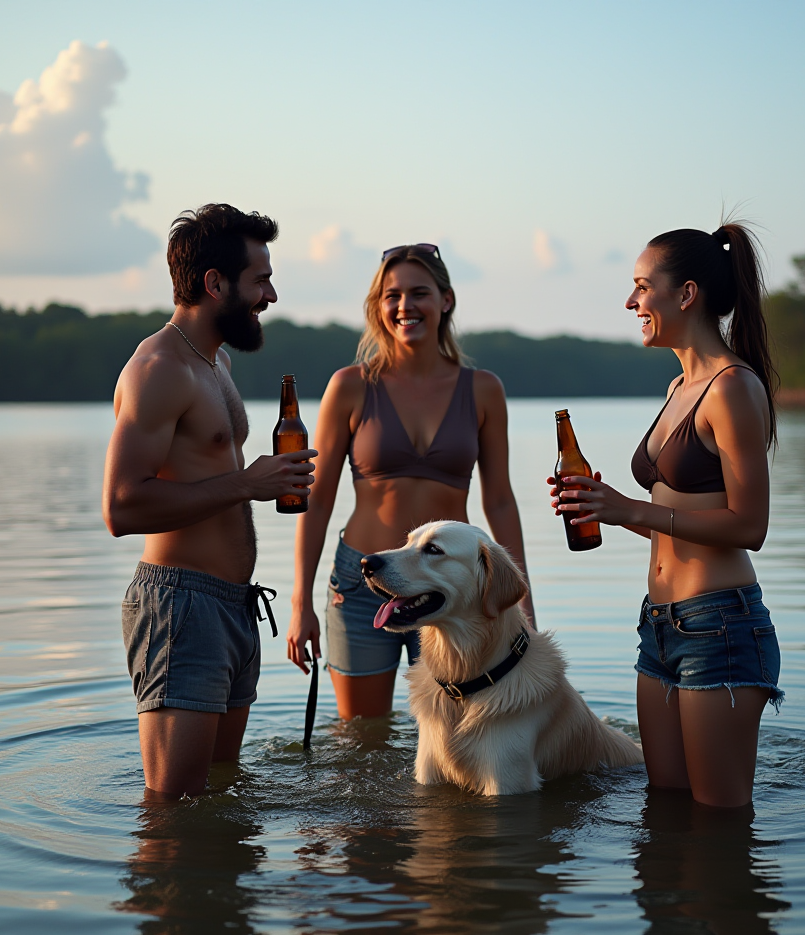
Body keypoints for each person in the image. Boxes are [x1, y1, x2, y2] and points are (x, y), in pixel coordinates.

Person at [553, 223, 783, 807]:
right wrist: (606, 508)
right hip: (659, 624)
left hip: (720, 626)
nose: (631, 303)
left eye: (640, 288)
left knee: (718, 823)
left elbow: (748, 527)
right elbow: (669, 509)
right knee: (665, 809)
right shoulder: (680, 385)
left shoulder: (732, 388)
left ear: (685, 294)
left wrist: (629, 508)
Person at [103, 204, 317, 799]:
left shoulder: (215, 361)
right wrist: (249, 483)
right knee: (173, 811)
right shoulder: (158, 369)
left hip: (231, 605)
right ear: (214, 283)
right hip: (179, 606)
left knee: (219, 798)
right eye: (260, 280)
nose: (270, 295)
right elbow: (121, 507)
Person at [287, 244, 534, 719]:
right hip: (362, 586)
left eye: (419, 293)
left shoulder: (483, 389)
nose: (405, 306)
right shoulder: (351, 387)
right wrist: (301, 603)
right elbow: (316, 502)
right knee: (363, 744)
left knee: (468, 732)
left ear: (446, 300)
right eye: (391, 295)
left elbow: (500, 502)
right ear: (377, 307)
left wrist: (522, 604)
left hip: (453, 590)